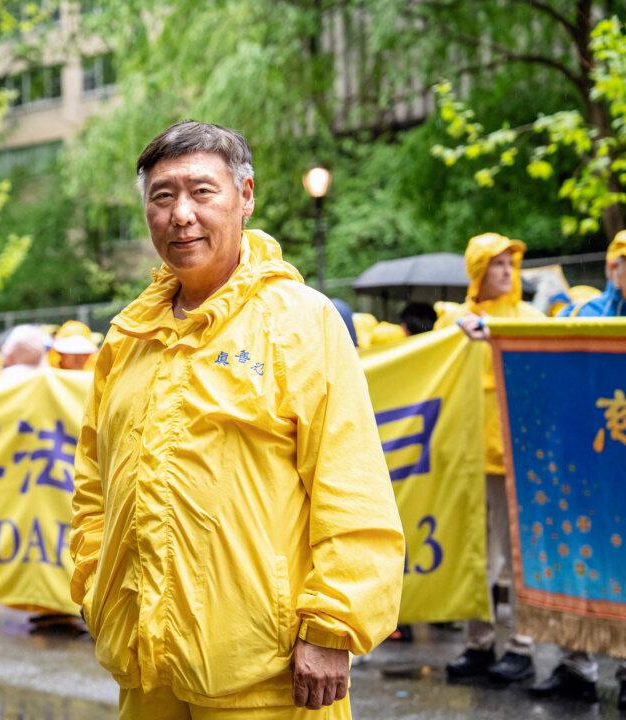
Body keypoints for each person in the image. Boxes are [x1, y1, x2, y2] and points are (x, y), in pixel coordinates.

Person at [71, 121, 405, 719]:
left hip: (267, 672)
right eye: (163, 195)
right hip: (148, 666)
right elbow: (94, 483)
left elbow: (350, 483)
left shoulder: (300, 321)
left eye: (203, 191)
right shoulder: (129, 337)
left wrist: (334, 623)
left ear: (245, 196)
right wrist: (93, 584)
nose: (181, 214)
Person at [434, 232, 543, 685]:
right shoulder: (455, 323)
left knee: (516, 558)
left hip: (514, 460)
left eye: (509, 264)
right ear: (479, 271)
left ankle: (522, 646)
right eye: (496, 264)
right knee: (475, 557)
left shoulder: (529, 320)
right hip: (464, 460)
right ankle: (478, 643)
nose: (506, 271)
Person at [530, 231, 626, 709]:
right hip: (591, 469)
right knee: (586, 559)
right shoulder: (584, 318)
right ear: (612, 269)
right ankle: (576, 665)